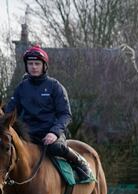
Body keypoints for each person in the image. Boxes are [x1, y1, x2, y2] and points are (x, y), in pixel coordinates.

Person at [3, 45, 91, 180]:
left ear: (44, 66)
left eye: (37, 64)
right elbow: (9, 112)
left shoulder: (55, 86)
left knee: (55, 148)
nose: (33, 67)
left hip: (49, 134)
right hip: (27, 135)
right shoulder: (21, 88)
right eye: (30, 64)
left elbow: (65, 115)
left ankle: (80, 162)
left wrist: (54, 133)